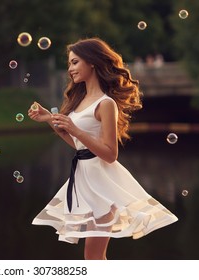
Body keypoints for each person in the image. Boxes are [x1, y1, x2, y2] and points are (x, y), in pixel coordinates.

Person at [27, 37, 178, 260]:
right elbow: (81, 148)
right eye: (69, 64)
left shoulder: (106, 103)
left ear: (92, 63)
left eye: (75, 62)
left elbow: (109, 154)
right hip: (84, 181)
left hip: (103, 185)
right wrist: (50, 120)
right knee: (94, 256)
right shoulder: (80, 100)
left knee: (93, 256)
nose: (70, 69)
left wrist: (75, 130)